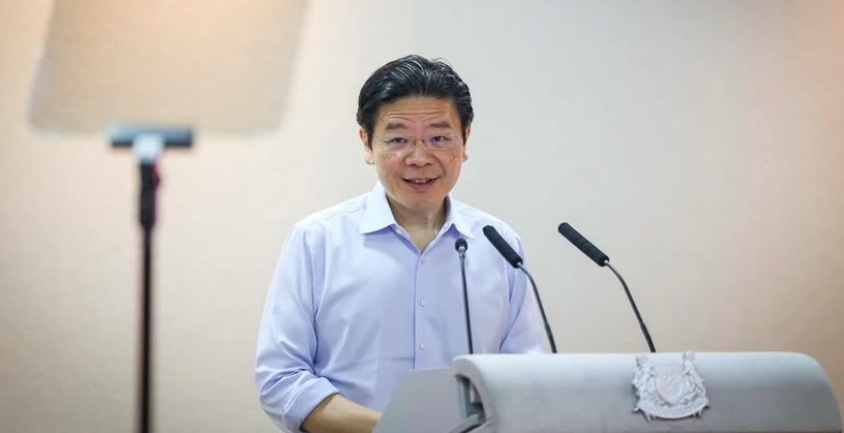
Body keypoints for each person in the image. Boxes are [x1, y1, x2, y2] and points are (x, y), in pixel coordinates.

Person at [255, 55, 544, 433]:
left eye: (439, 138)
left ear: (465, 140)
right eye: (398, 140)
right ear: (366, 142)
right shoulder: (317, 240)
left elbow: (525, 377)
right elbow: (282, 381)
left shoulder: (499, 245)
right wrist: (391, 428)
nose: (420, 158)